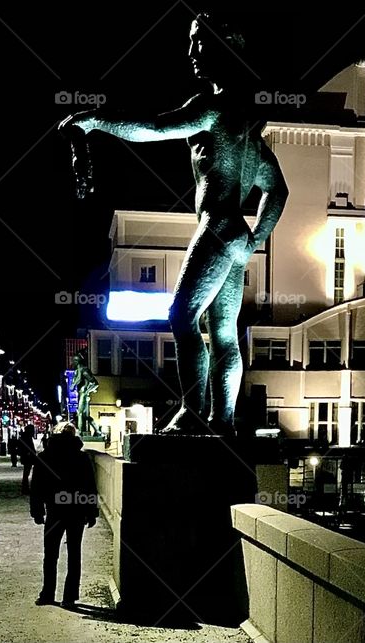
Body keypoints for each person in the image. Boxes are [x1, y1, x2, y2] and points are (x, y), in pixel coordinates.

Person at [59, 11, 288, 437]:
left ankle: (193, 411)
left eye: (200, 42)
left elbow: (151, 127)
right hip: (236, 235)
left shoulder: (212, 109)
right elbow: (278, 191)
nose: (192, 52)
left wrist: (95, 121)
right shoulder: (247, 132)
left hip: (219, 226)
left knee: (181, 316)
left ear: (224, 48)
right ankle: (224, 421)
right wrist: (256, 237)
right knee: (223, 334)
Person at [30, 423, 98, 607]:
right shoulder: (82, 457)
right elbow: (90, 485)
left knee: (50, 555)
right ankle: (69, 597)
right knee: (74, 554)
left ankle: (47, 594)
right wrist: (92, 511)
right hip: (77, 509)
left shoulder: (45, 456)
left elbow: (36, 486)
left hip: (54, 510)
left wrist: (37, 510)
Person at [19, 425, 37, 494]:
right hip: (27, 457)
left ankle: (25, 487)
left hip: (27, 457)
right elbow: (28, 448)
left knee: (26, 473)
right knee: (26, 473)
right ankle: (25, 488)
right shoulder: (26, 437)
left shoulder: (25, 437)